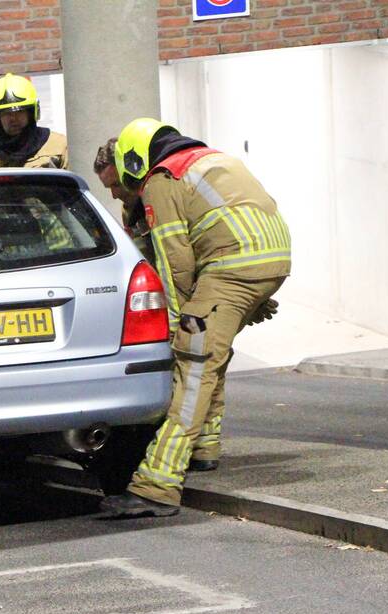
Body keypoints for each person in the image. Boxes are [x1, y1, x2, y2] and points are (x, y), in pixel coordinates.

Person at [100, 117, 290, 518]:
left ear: (133, 164)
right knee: (212, 354)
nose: (116, 192)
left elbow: (176, 264)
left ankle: (157, 485)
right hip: (268, 260)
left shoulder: (161, 180)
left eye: (116, 183)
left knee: (194, 363)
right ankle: (205, 446)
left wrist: (179, 323)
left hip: (231, 267)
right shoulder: (201, 158)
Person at [0, 73, 68, 170]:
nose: (13, 118)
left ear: (31, 113)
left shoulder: (60, 147)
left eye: (20, 111)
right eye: (5, 113)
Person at [94, 137, 155, 266]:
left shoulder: (161, 198)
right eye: (109, 188)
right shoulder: (128, 210)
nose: (114, 195)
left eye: (116, 185)